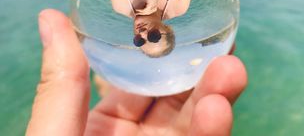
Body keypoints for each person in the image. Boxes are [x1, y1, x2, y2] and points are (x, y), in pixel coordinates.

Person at [26, 9, 248, 136]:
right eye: (151, 37)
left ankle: (106, 88)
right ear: (166, 28)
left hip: (126, 85)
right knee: (112, 88)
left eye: (138, 41)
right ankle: (107, 88)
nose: (142, 34)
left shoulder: (122, 11)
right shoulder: (174, 4)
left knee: (109, 88)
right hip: (127, 86)